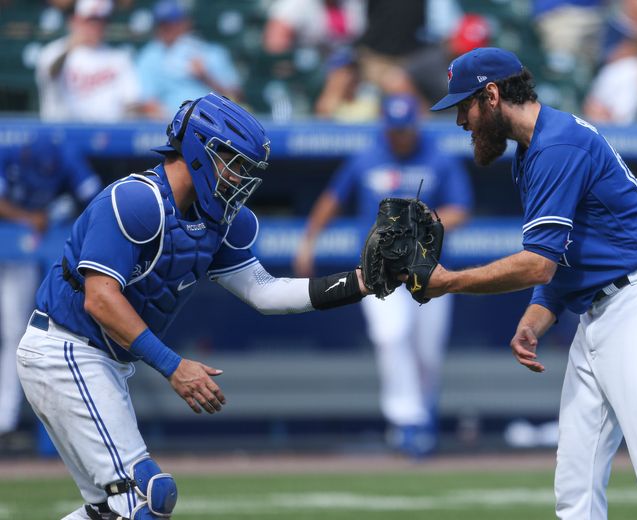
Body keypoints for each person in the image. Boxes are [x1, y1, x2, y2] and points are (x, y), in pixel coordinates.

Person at [16, 93, 371, 520]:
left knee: (111, 512)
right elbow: (100, 299)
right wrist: (173, 366)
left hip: (98, 361)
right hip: (65, 350)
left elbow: (265, 292)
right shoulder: (136, 201)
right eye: (234, 162)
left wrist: (361, 282)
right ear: (202, 151)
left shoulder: (218, 218)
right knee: (149, 498)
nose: (240, 177)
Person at [427, 47, 637, 518]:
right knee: (575, 484)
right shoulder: (533, 150)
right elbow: (558, 262)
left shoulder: (556, 145)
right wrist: (536, 320)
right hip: (601, 312)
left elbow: (538, 263)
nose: (461, 121)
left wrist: (450, 281)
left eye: (464, 106)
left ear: (492, 95)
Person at [294, 94, 473, 458]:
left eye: (405, 131)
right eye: (394, 131)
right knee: (391, 336)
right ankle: (407, 421)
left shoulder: (437, 156)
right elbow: (333, 198)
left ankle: (424, 416)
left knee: (426, 353)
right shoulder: (367, 156)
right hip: (381, 272)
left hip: (429, 270)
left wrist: (426, 223)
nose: (399, 137)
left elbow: (461, 210)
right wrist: (309, 240)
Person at [0, 135, 101, 446]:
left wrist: (57, 211)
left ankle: (4, 422)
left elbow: (95, 195)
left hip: (25, 254)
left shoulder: (66, 158)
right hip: (10, 239)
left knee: (16, 331)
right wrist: (30, 216)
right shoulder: (9, 153)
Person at [36, 0, 141, 122]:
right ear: (75, 20)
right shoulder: (52, 52)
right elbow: (50, 74)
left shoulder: (119, 58)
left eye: (101, 21)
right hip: (62, 132)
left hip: (109, 133)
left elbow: (132, 102)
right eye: (90, 20)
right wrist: (69, 48)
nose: (96, 26)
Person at [136, 0, 243, 120]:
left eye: (174, 23)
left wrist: (206, 77)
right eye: (163, 24)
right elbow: (147, 103)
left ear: (186, 22)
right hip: (170, 124)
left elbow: (236, 98)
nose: (169, 29)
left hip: (214, 123)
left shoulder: (210, 52)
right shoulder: (149, 56)